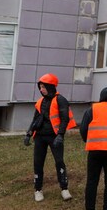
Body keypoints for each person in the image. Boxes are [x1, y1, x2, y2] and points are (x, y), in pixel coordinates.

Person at [23, 73, 76, 202]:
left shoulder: (60, 100)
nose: (41, 90)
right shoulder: (40, 102)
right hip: (40, 137)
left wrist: (60, 135)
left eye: (43, 87)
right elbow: (35, 119)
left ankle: (64, 189)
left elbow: (65, 119)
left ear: (50, 86)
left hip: (54, 137)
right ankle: (38, 190)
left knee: (59, 161)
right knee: (38, 163)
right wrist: (29, 134)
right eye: (40, 87)